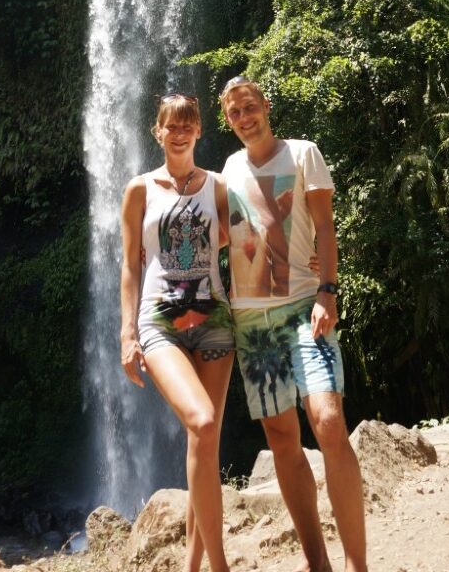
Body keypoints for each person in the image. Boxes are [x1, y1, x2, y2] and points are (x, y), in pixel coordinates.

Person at [219, 76, 367, 572]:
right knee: (281, 438)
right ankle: (316, 560)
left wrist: (329, 289)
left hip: (306, 308)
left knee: (328, 422)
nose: (244, 118)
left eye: (250, 107)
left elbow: (325, 225)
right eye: (235, 112)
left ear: (266, 105)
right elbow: (226, 234)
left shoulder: (303, 153)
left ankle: (357, 564)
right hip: (251, 322)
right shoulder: (229, 168)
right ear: (227, 120)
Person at [120, 93, 234, 572]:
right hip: (159, 321)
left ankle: (192, 567)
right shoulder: (139, 189)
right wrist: (127, 335)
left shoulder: (219, 186)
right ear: (158, 131)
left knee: (204, 443)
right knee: (202, 422)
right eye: (172, 125)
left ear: (200, 130)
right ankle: (220, 566)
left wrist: (307, 259)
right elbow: (130, 266)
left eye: (189, 124)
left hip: (215, 320)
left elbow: (248, 238)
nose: (180, 132)